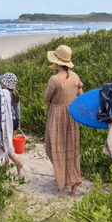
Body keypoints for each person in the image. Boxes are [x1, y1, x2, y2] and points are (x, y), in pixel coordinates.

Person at [44, 45, 84, 196]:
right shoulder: (75, 77)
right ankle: (73, 181)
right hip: (71, 114)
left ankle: (62, 178)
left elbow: (46, 98)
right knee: (71, 147)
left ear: (57, 62)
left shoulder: (54, 79)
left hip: (56, 113)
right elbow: (81, 96)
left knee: (53, 146)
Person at [0, 72, 23, 175]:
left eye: (2, 81)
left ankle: (18, 163)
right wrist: (18, 123)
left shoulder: (2, 93)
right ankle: (6, 165)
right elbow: (18, 110)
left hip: (5, 122)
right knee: (8, 142)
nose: (1, 83)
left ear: (6, 83)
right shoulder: (15, 93)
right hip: (14, 121)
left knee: (3, 145)